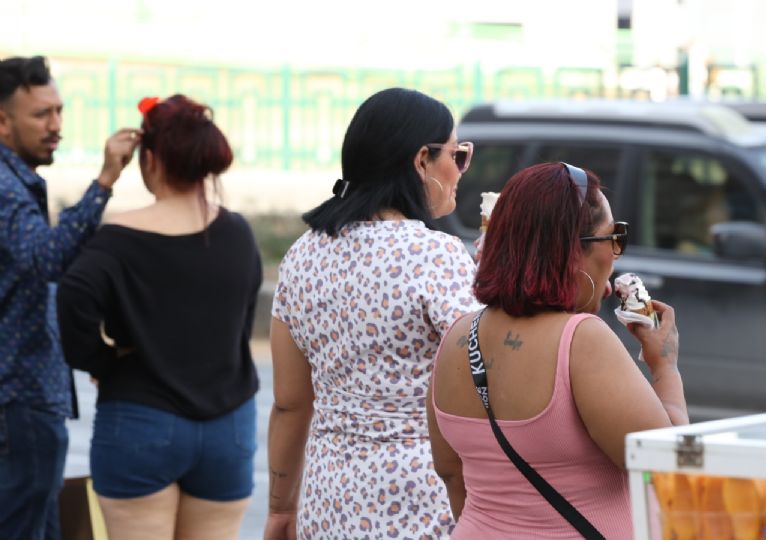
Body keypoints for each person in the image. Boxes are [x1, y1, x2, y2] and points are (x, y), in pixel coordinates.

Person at [427, 162, 688, 538]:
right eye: (613, 238)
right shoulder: (582, 340)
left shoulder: (456, 336)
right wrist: (664, 367)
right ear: (571, 251)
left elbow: (451, 473)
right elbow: (670, 470)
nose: (616, 255)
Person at [265, 87, 481, 539]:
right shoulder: (434, 255)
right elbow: (489, 374)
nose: (461, 170)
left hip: (326, 497)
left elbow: (289, 403)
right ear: (422, 160)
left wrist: (281, 509)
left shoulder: (303, 254)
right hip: (417, 495)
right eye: (458, 156)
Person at [56, 94, 262, 540]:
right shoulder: (237, 234)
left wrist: (104, 363)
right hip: (229, 425)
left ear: (149, 159)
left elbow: (72, 297)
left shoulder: (117, 242)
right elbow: (240, 322)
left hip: (138, 419)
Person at [0, 55, 139, 539]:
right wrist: (103, 183)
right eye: (41, 114)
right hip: (20, 396)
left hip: (28, 395)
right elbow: (46, 259)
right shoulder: (3, 186)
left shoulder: (16, 180)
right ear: (3, 120)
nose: (56, 125)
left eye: (58, 111)